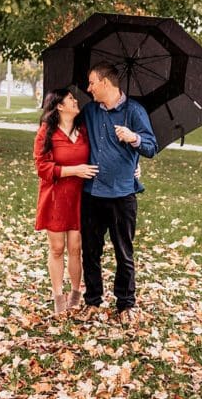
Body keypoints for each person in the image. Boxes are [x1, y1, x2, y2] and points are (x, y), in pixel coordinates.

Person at [77, 62, 158, 323]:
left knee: (124, 252)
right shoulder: (90, 110)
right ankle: (92, 300)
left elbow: (151, 147)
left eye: (91, 83)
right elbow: (66, 126)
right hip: (92, 194)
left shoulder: (134, 112)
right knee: (90, 251)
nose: (88, 88)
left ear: (105, 83)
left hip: (122, 195)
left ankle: (125, 304)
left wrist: (133, 138)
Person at [34, 89, 97, 316]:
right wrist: (74, 170)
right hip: (55, 197)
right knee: (57, 248)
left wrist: (132, 167)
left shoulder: (83, 131)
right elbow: (42, 167)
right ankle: (58, 296)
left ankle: (75, 295)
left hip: (80, 197)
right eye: (70, 99)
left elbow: (99, 154)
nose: (75, 101)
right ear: (59, 106)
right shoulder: (46, 132)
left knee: (75, 248)